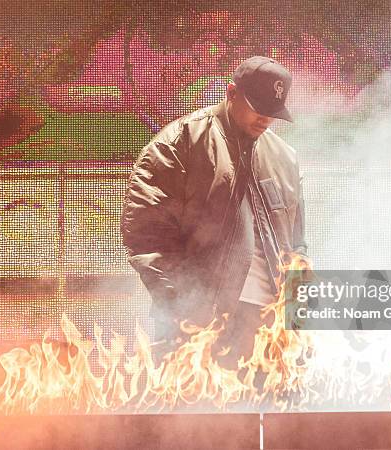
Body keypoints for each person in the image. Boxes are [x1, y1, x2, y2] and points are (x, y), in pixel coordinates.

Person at [120, 56, 308, 363]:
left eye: (272, 112)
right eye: (257, 106)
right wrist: (183, 307)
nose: (264, 118)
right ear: (231, 93)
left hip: (268, 328)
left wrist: (298, 320)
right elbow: (147, 235)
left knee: (271, 410)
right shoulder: (179, 144)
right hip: (200, 325)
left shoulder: (284, 158)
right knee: (193, 411)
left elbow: (297, 245)